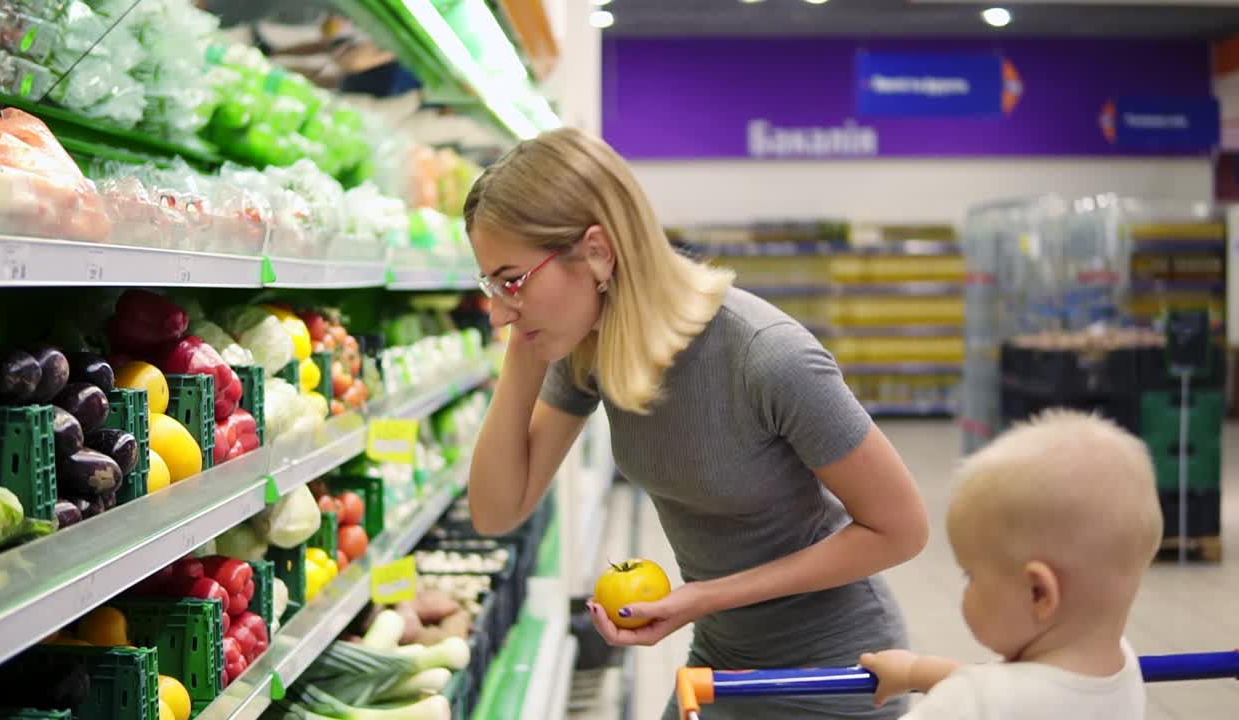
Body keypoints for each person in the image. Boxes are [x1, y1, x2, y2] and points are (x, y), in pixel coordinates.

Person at [463, 127, 929, 720]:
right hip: (721, 655)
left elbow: (901, 530)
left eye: (513, 279)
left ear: (599, 252)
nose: (499, 311)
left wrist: (704, 597)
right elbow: (497, 511)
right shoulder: (589, 348)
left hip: (834, 674)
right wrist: (522, 352)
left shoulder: (766, 356)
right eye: (490, 285)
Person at [860, 409, 1162, 719]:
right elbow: (1019, 689)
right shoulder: (1121, 667)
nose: (965, 591)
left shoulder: (967, 705)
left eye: (970, 575)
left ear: (1038, 593)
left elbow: (988, 696)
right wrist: (915, 671)